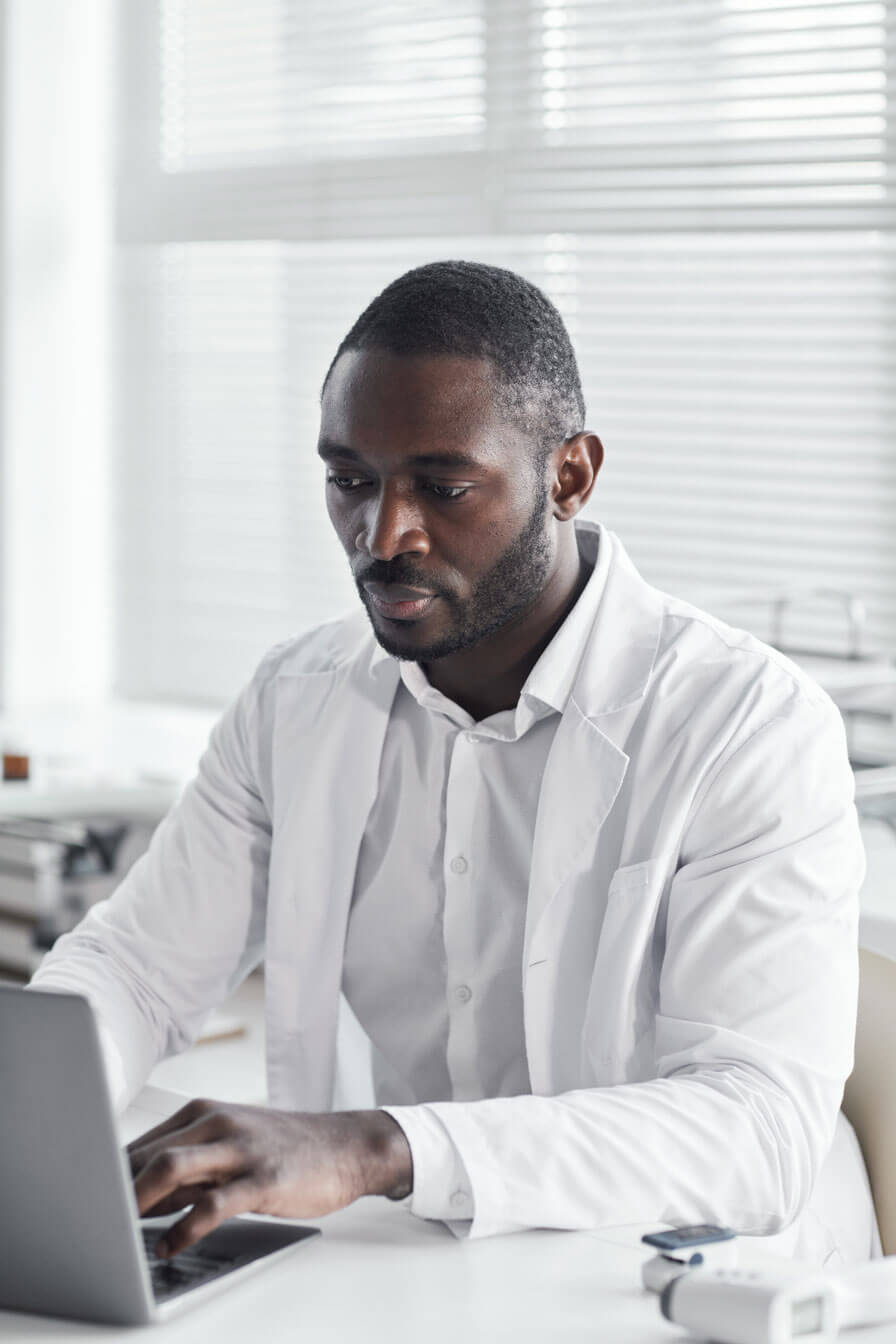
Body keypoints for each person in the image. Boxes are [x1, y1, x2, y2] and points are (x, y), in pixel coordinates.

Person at [31, 261, 875, 1264]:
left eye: (443, 486)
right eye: (350, 480)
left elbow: (756, 1129)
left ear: (567, 475)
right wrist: (33, 1110)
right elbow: (138, 968)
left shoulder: (744, 723)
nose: (381, 535)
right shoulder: (292, 699)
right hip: (415, 1261)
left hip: (679, 1273)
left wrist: (380, 1148)